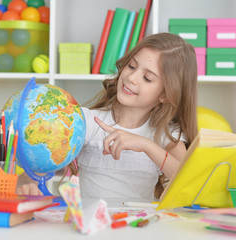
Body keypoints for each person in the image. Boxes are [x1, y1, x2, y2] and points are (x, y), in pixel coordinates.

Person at [17, 32, 198, 201]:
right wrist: (26, 184)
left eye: (147, 78)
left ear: (165, 95)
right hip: (91, 229)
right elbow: (32, 174)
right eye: (131, 66)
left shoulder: (165, 134)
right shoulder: (86, 121)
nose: (131, 78)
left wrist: (146, 145)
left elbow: (191, 182)